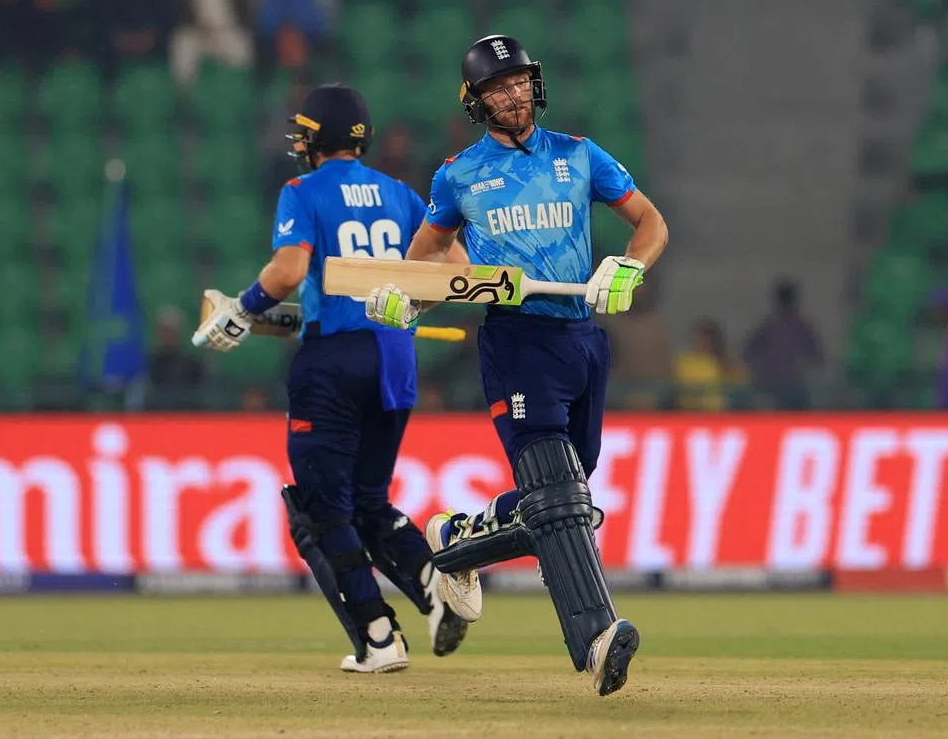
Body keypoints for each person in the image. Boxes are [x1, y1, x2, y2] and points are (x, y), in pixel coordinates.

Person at [365, 35, 669, 696]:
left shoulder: (580, 155)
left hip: (583, 338)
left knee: (566, 492)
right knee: (560, 497)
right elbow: (427, 259)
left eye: (522, 81)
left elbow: (650, 224)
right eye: (498, 87)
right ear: (476, 102)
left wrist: (628, 266)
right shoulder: (458, 175)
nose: (514, 95)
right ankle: (595, 637)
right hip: (516, 341)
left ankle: (456, 542)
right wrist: (402, 299)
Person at [192, 84, 471, 673]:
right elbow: (459, 273)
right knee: (370, 501)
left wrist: (243, 308)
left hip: (335, 361)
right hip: (396, 359)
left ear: (318, 138)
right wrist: (405, 316)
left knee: (326, 511)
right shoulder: (401, 193)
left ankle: (379, 638)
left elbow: (289, 269)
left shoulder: (303, 190)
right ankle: (436, 590)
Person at [742, 278, 824, 410]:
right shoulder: (796, 326)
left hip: (786, 384)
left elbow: (815, 355)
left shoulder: (772, 324)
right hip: (780, 383)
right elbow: (816, 356)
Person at [673, 318, 747, 412]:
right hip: (689, 413)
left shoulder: (725, 362)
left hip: (719, 414)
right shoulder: (683, 362)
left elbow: (742, 384)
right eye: (695, 337)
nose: (698, 341)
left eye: (703, 337)